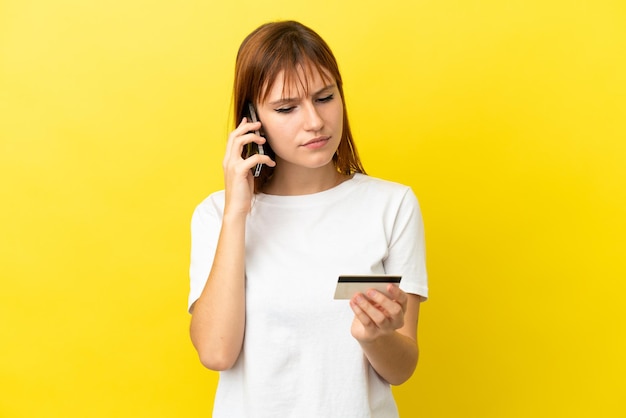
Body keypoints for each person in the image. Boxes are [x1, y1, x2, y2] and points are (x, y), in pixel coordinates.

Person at [188, 20, 428, 417]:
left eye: (324, 97)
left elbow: (402, 368)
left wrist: (373, 337)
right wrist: (237, 212)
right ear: (252, 119)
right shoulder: (216, 215)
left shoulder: (392, 205)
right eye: (286, 108)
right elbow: (216, 352)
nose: (314, 122)